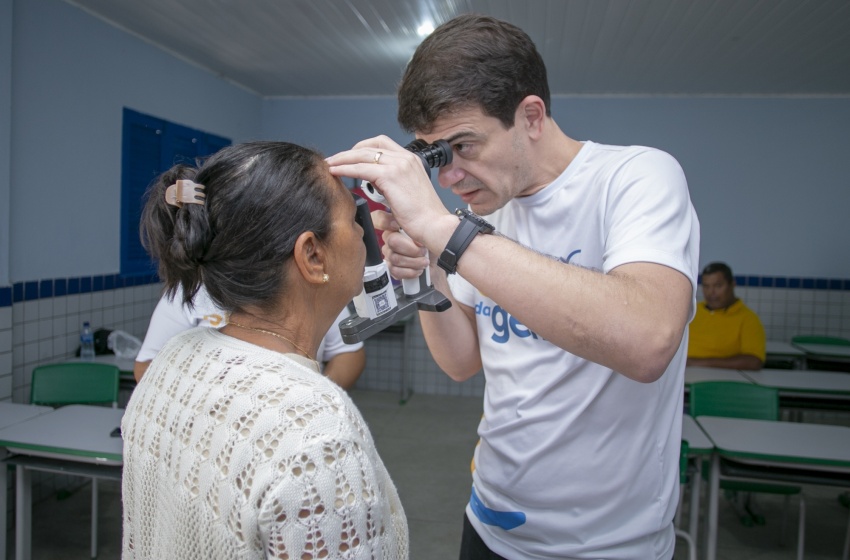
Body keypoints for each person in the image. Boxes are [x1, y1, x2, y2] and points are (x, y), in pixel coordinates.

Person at [327, 14, 699, 560]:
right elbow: (461, 362)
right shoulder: (480, 218)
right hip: (491, 520)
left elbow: (647, 343)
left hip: (610, 543)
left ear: (530, 116)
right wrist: (430, 263)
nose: (448, 176)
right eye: (434, 153)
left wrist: (442, 231)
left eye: (464, 145)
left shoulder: (635, 178)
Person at [122, 141, 408, 559]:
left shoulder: (173, 357)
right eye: (353, 218)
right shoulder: (317, 436)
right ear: (312, 255)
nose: (365, 231)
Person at [132, 287, 366, 389]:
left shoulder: (311, 289)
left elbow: (349, 353)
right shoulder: (192, 290)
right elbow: (147, 366)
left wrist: (317, 395)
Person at [687, 262, 766, 370]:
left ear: (732, 284)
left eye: (718, 286)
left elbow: (754, 361)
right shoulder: (692, 311)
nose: (711, 292)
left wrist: (695, 362)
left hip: (724, 378)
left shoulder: (748, 318)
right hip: (685, 375)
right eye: (706, 286)